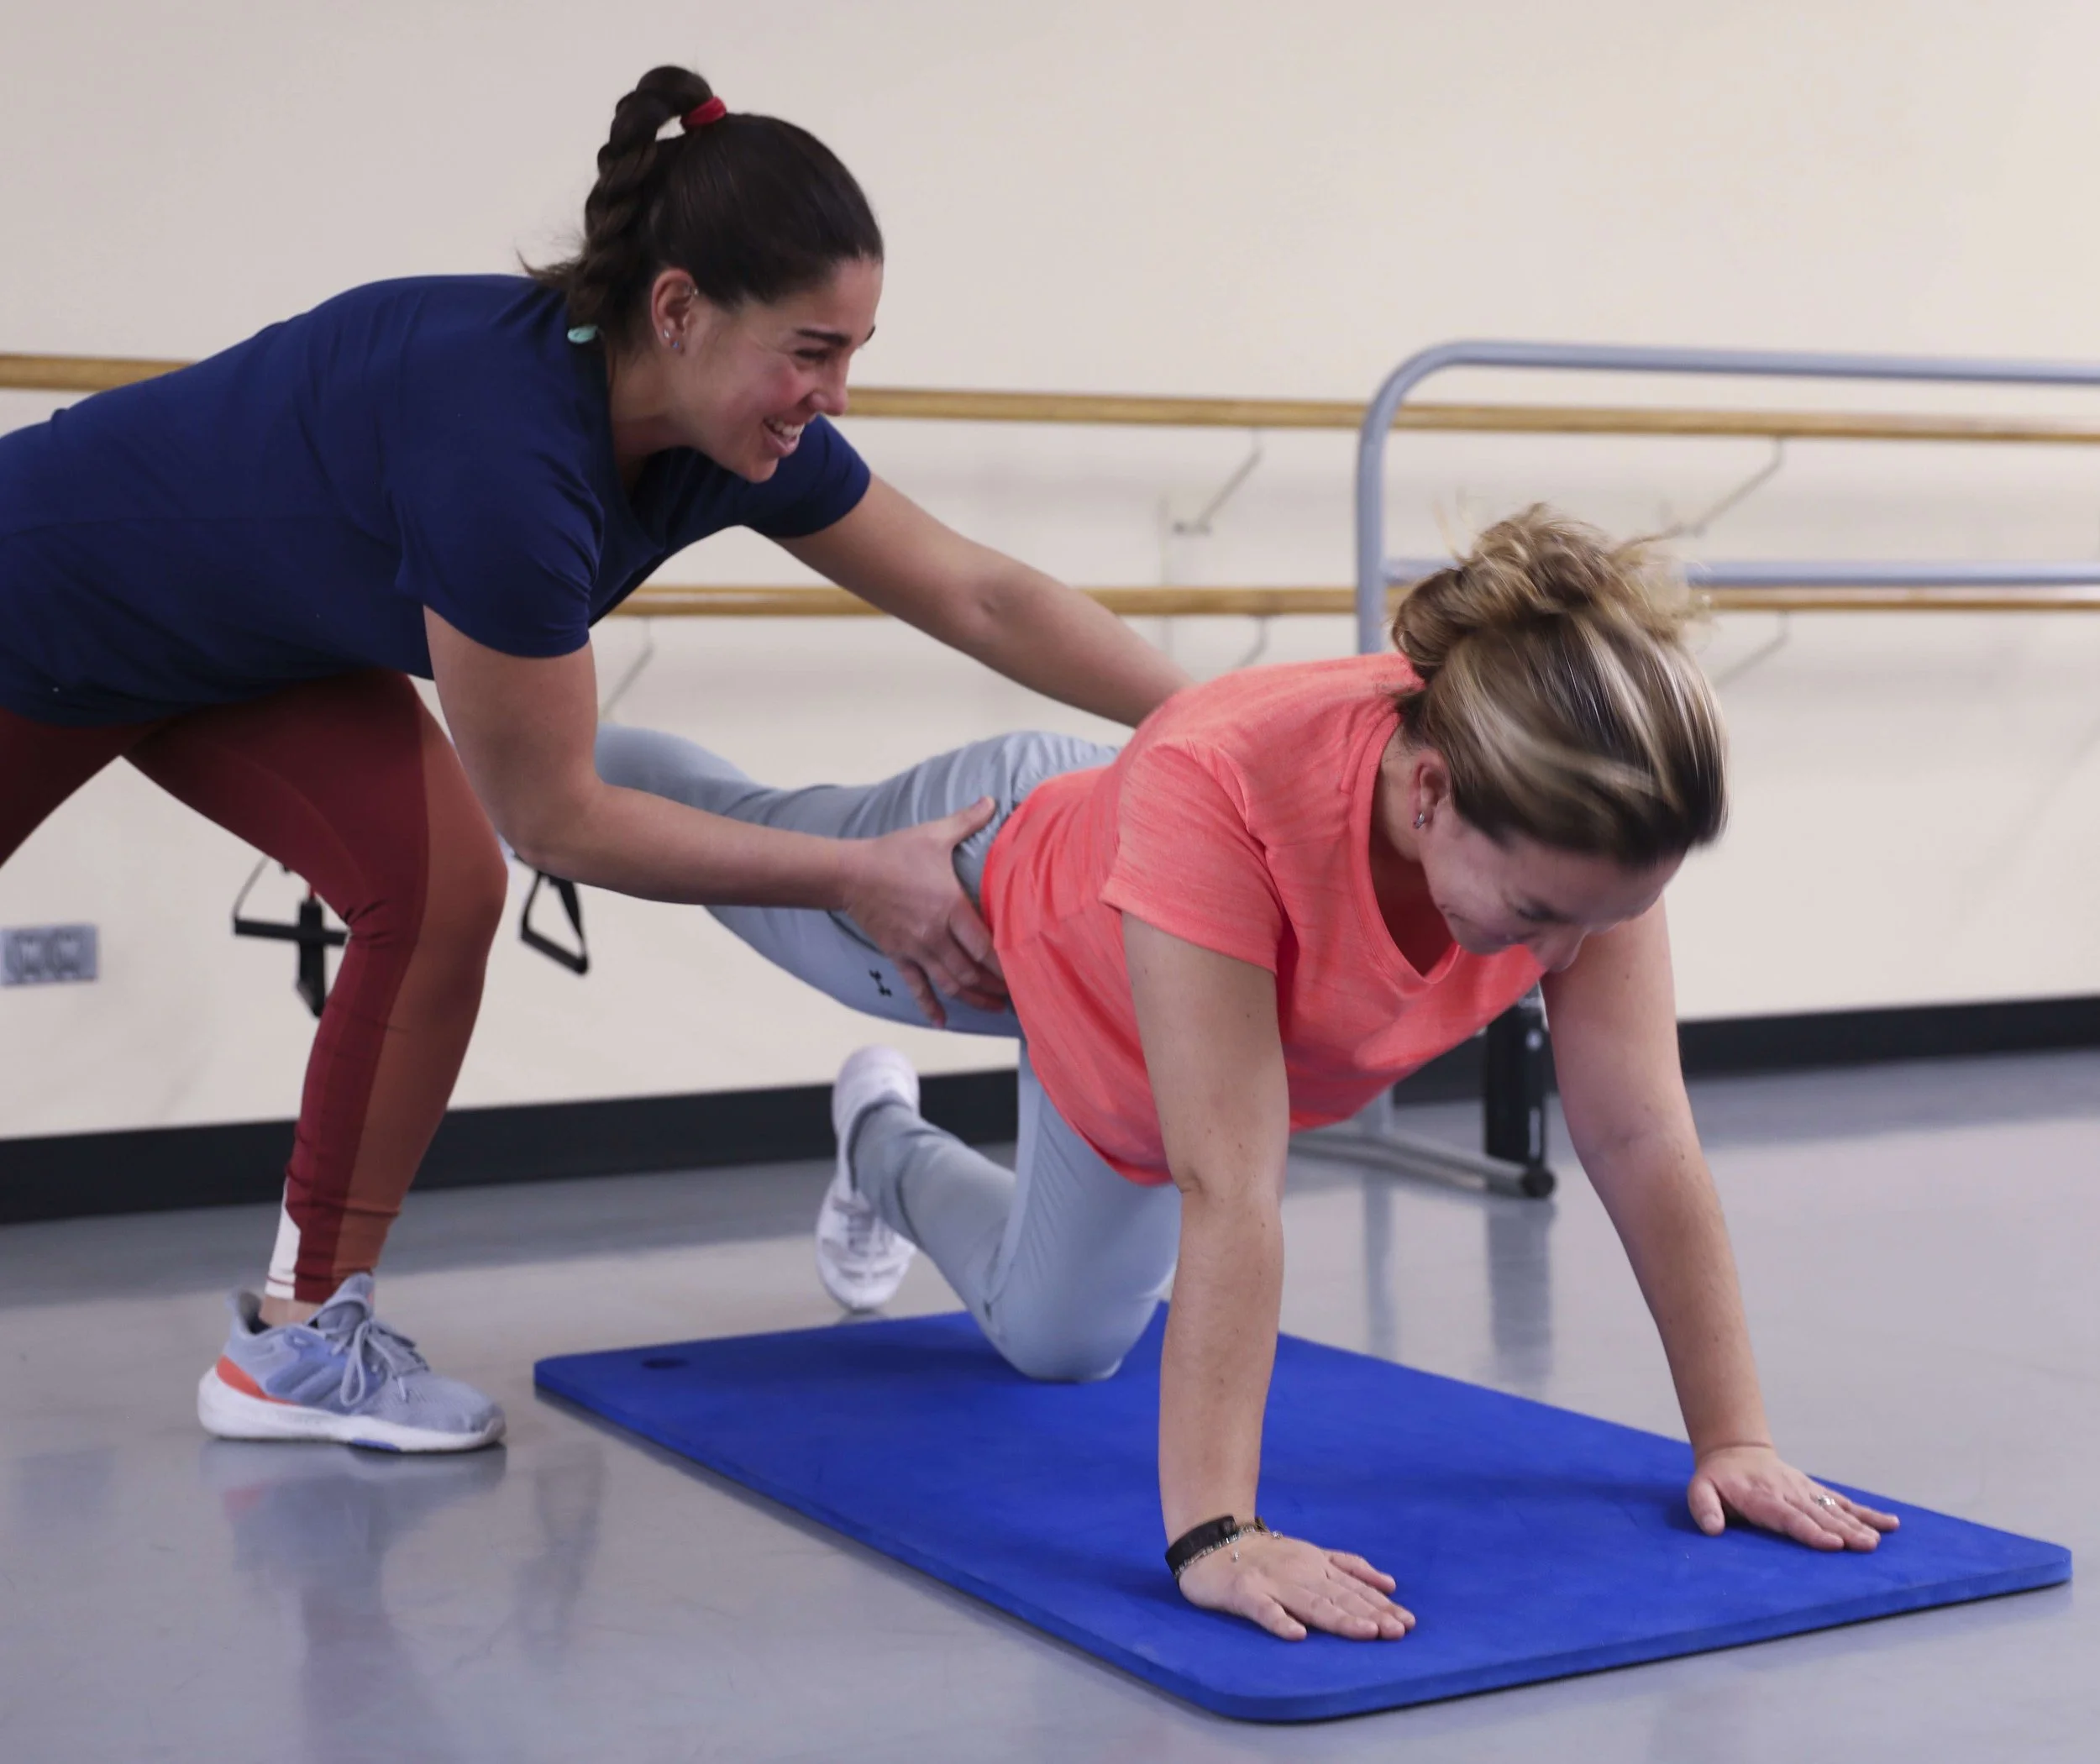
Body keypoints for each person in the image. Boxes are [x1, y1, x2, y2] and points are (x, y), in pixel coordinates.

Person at [0, 65, 1187, 1452]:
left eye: (853, 351)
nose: (834, 393)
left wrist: (1223, 722)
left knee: (437, 888)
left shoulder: (723, 433)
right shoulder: (504, 453)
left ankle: (299, 1341)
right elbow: (557, 819)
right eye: (811, 351)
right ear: (677, 310)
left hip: (242, 654)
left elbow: (977, 594)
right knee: (480, 853)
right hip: (38, 607)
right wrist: (859, 874)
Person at [595, 506, 1900, 1642]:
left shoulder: (1582, 839)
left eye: (1601, 918)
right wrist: (1218, 1532)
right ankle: (549, 766)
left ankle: (877, 1141)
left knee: (1059, 1343)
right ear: (1430, 794)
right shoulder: (1226, 782)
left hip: (1126, 1069)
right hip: (998, 891)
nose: (1563, 957)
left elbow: (1640, 1135)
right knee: (739, 850)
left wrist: (1735, 1437)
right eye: (1539, 915)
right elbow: (1233, 1181)